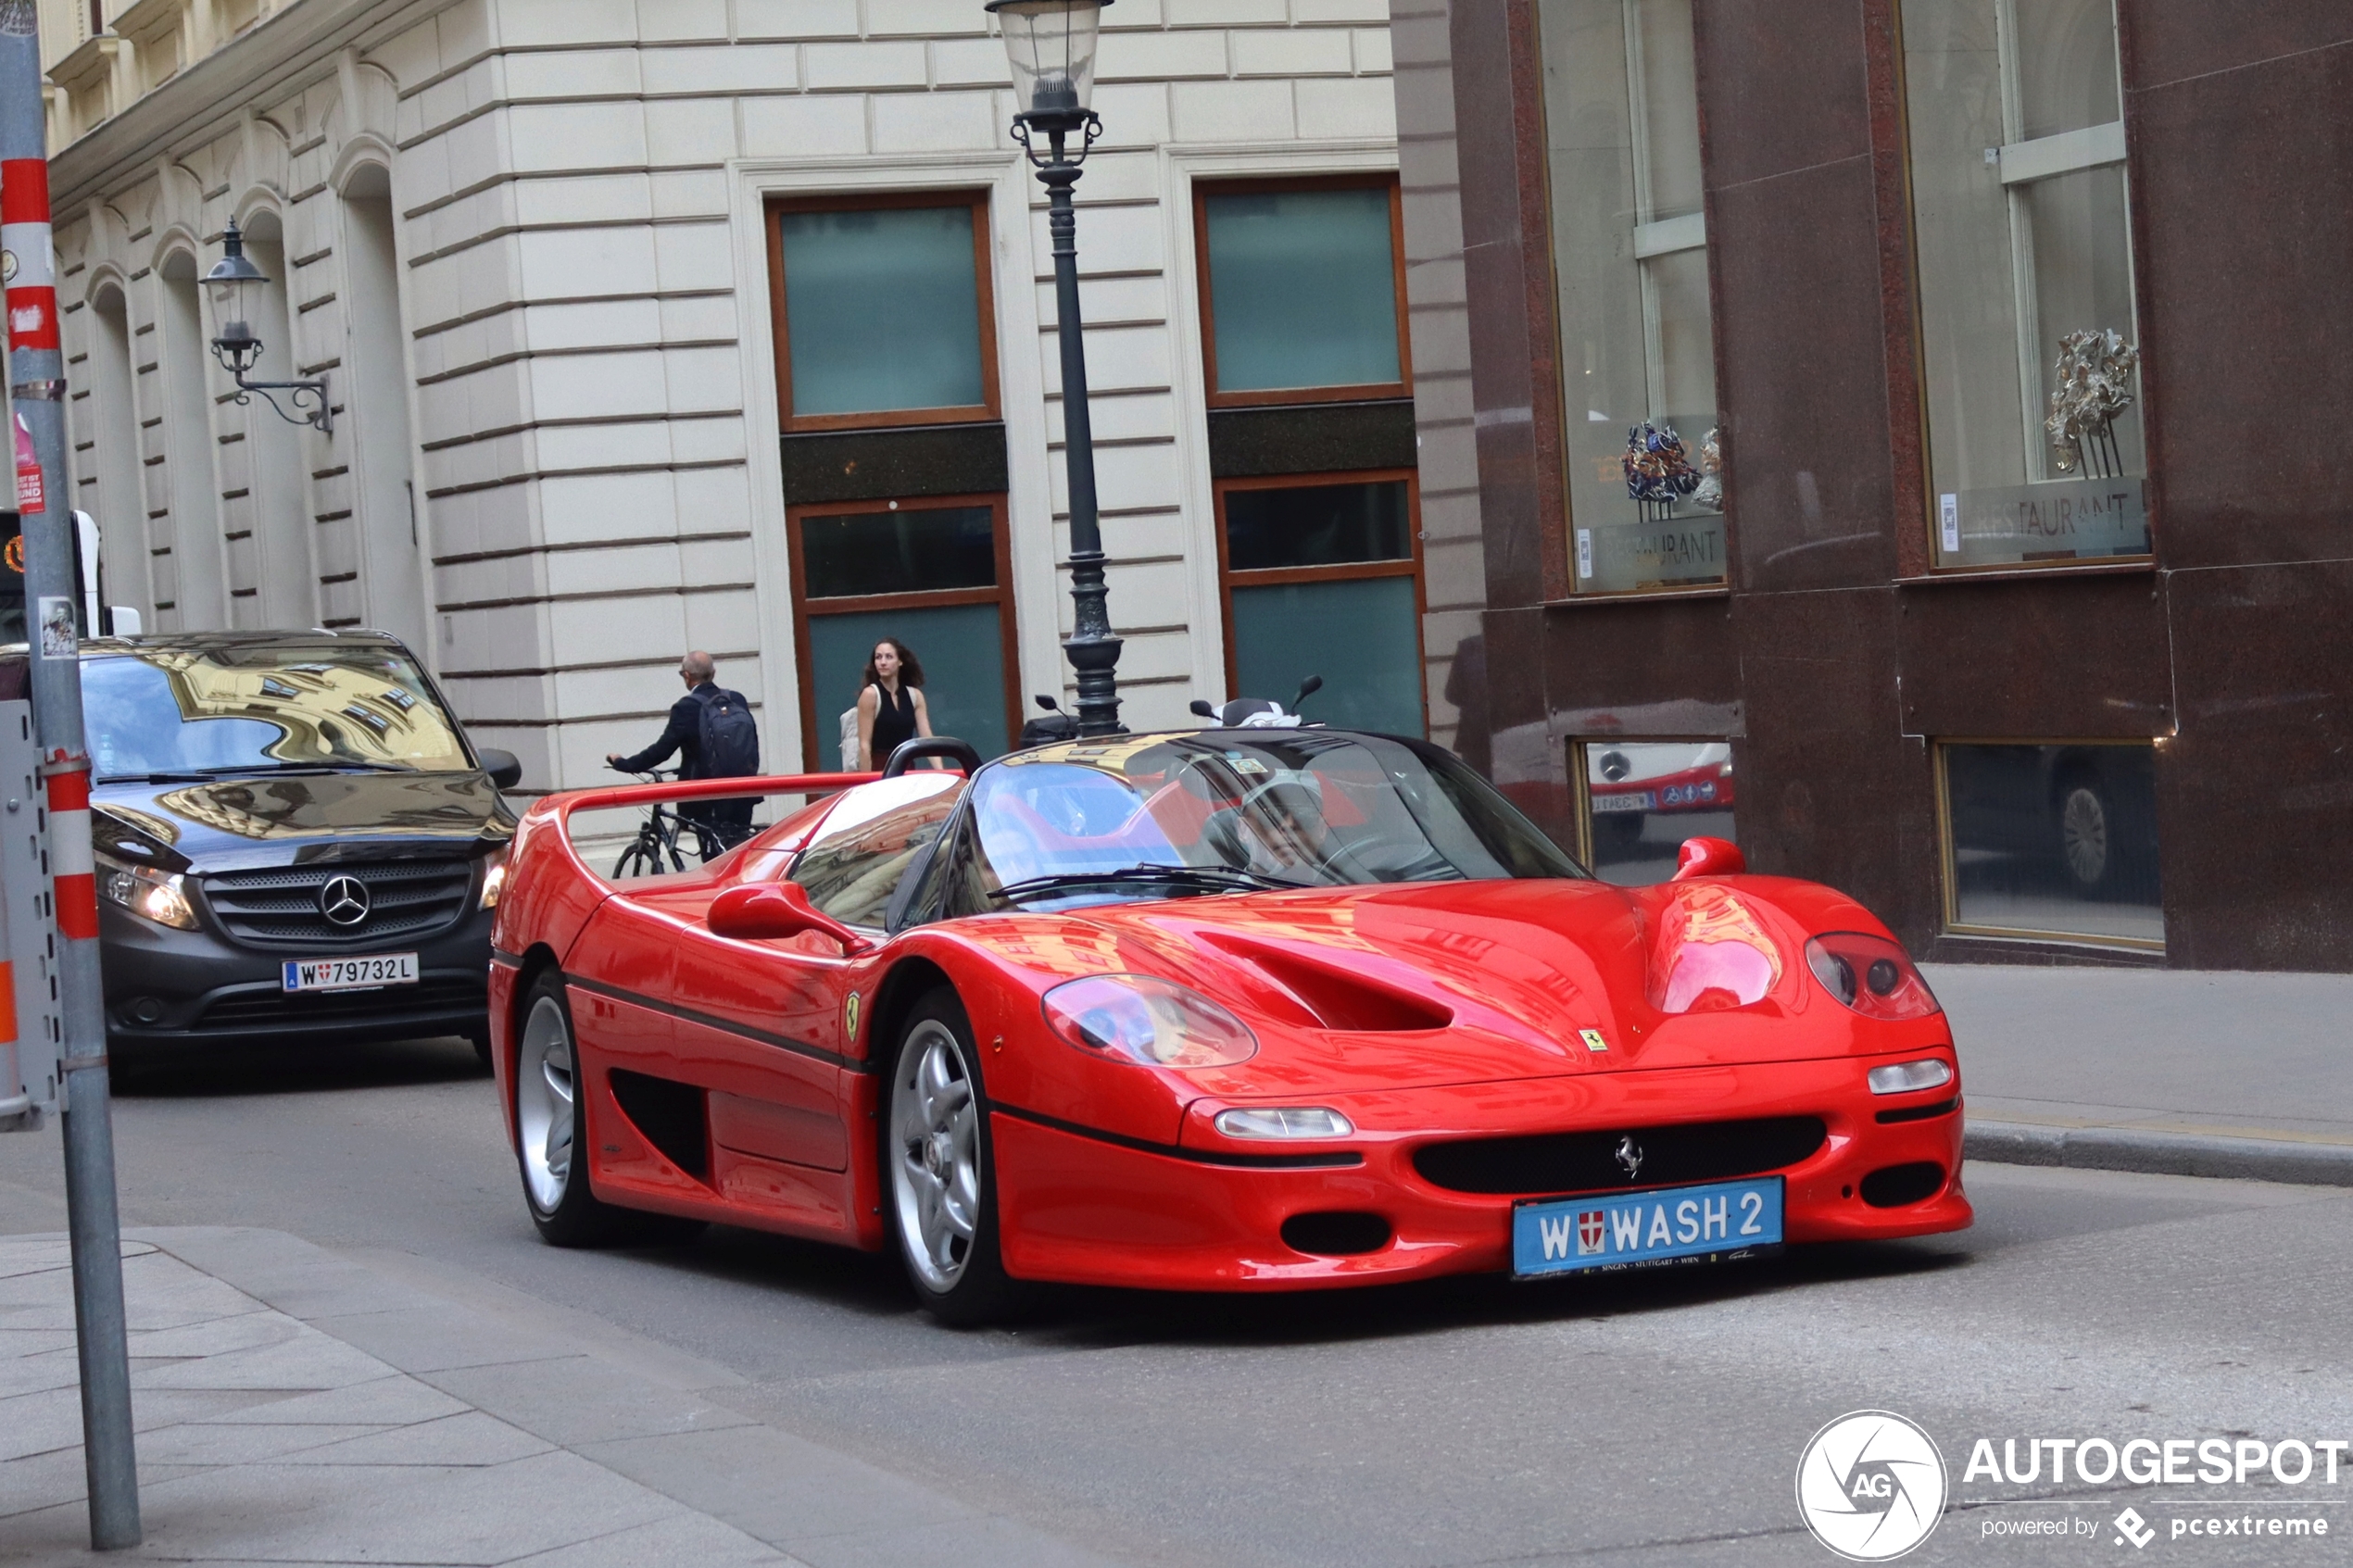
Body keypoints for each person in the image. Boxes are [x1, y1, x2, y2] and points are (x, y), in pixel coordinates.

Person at [606, 650, 761, 859]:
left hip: (706, 796)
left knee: (714, 861)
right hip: (742, 791)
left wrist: (624, 763)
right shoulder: (736, 699)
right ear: (713, 673)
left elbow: (661, 751)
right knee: (739, 855)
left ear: (687, 676)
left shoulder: (687, 707)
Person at [856, 638, 936, 771]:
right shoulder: (870, 695)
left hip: (906, 767)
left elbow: (927, 738)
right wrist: (866, 783)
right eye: (878, 657)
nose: (882, 662)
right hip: (879, 770)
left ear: (900, 661)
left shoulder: (914, 696)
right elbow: (864, 745)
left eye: (889, 657)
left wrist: (941, 772)